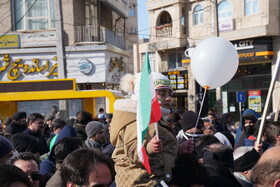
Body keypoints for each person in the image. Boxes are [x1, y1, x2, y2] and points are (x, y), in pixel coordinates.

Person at [110, 73, 193, 186]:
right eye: (162, 94)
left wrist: (179, 149)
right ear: (145, 95)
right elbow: (132, 150)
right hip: (140, 182)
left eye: (169, 93)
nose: (168, 98)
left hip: (157, 180)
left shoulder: (155, 118)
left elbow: (161, 152)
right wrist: (148, 148)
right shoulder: (135, 119)